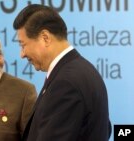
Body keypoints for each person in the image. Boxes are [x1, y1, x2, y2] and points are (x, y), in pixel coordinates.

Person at [13, 4, 111, 141]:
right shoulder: (83, 69)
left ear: (45, 38)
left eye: (23, 45)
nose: (22, 54)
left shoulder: (65, 83)